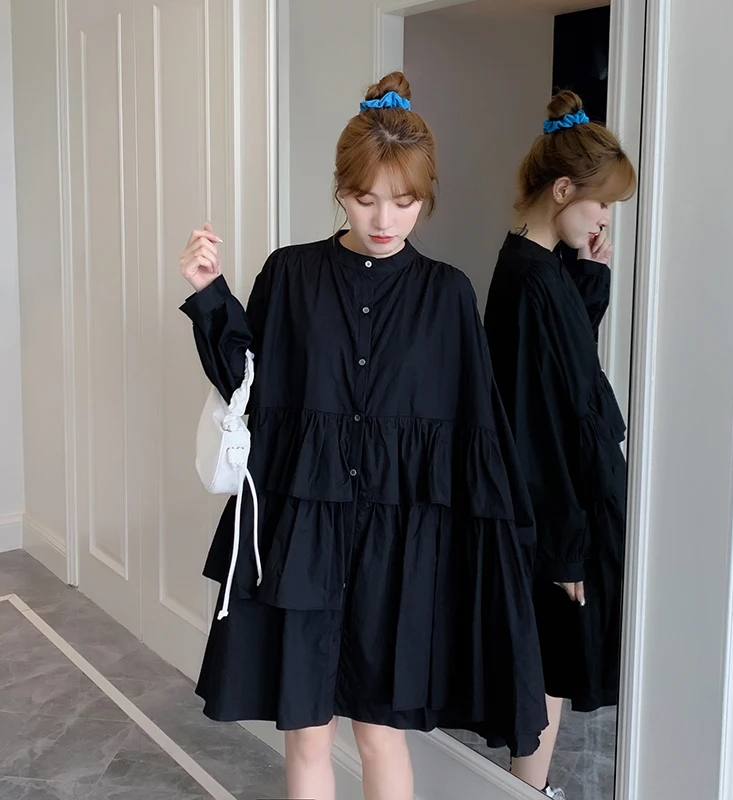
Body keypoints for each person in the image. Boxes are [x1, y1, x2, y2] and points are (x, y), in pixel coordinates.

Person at [178, 71, 547, 800]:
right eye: (364, 197)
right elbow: (249, 386)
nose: (384, 218)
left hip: (397, 552)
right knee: (306, 732)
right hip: (303, 536)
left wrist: (503, 548)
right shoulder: (291, 273)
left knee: (380, 735)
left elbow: (476, 430)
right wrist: (209, 294)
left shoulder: (447, 294)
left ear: (425, 197)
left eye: (404, 201)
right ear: (340, 190)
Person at [482, 90, 637, 799]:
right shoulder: (528, 278)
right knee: (550, 659)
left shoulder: (538, 268)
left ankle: (531, 788)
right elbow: (537, 420)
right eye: (601, 203)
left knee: (556, 661)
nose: (605, 218)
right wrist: (564, 545)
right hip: (558, 512)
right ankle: (528, 790)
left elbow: (568, 364)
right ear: (564, 189)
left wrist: (589, 270)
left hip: (567, 502)